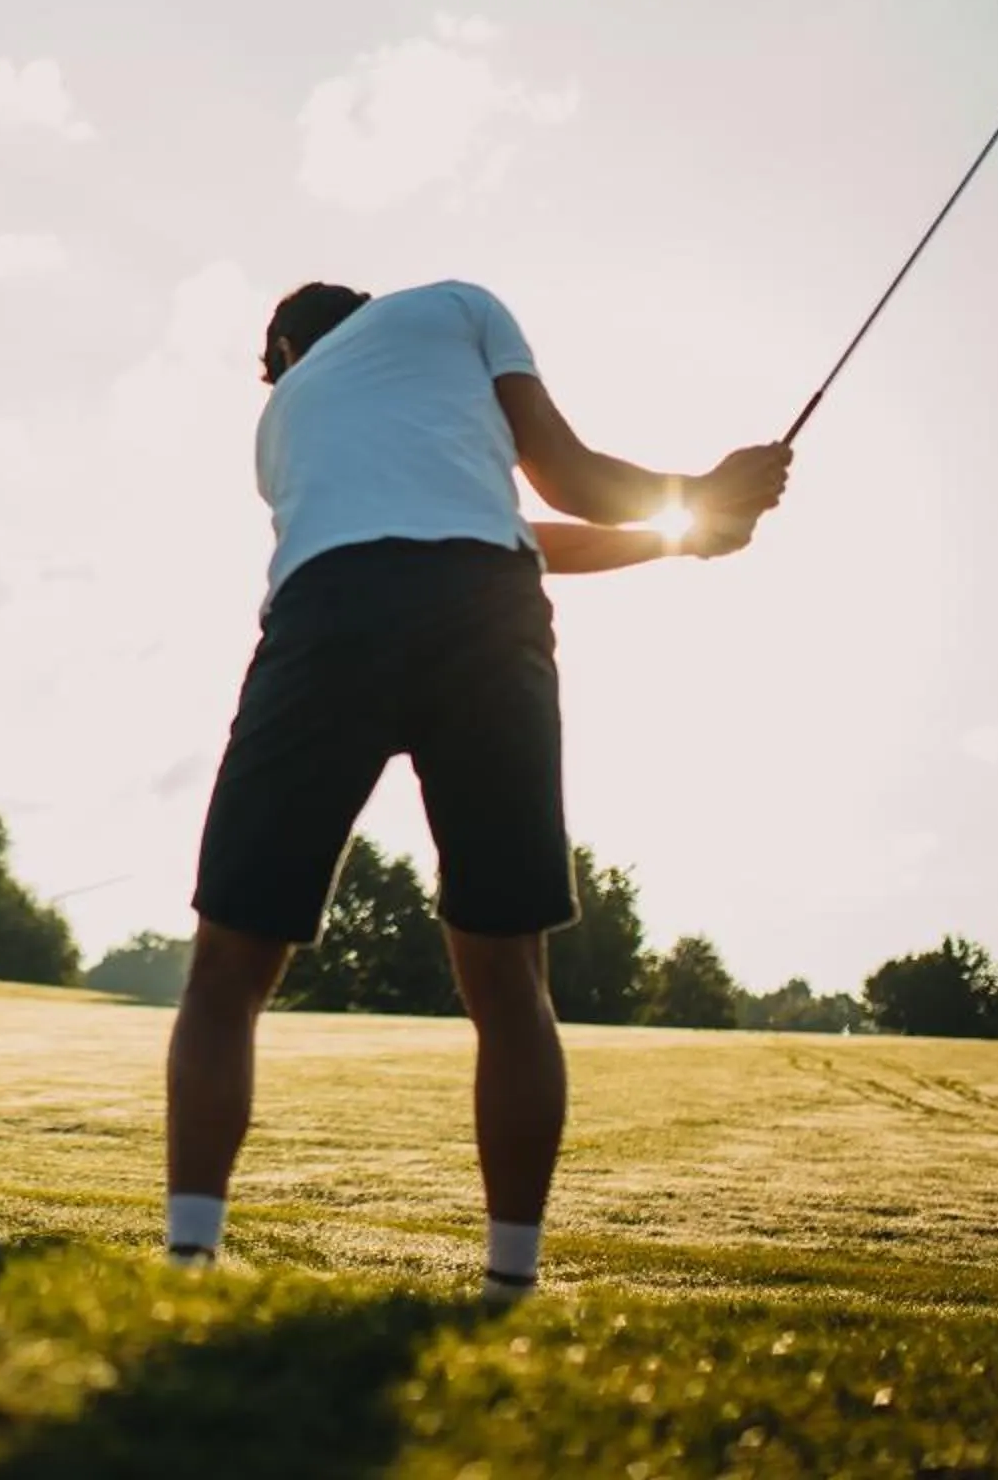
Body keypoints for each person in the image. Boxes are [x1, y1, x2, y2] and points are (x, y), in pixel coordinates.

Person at [162, 279, 791, 1301]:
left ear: (283, 348)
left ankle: (189, 1257)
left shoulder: (280, 424)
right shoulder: (456, 306)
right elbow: (555, 496)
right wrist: (698, 503)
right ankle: (510, 1280)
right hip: (485, 615)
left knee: (230, 958)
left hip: (330, 618)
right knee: (508, 974)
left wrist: (695, 516)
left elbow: (493, 526)